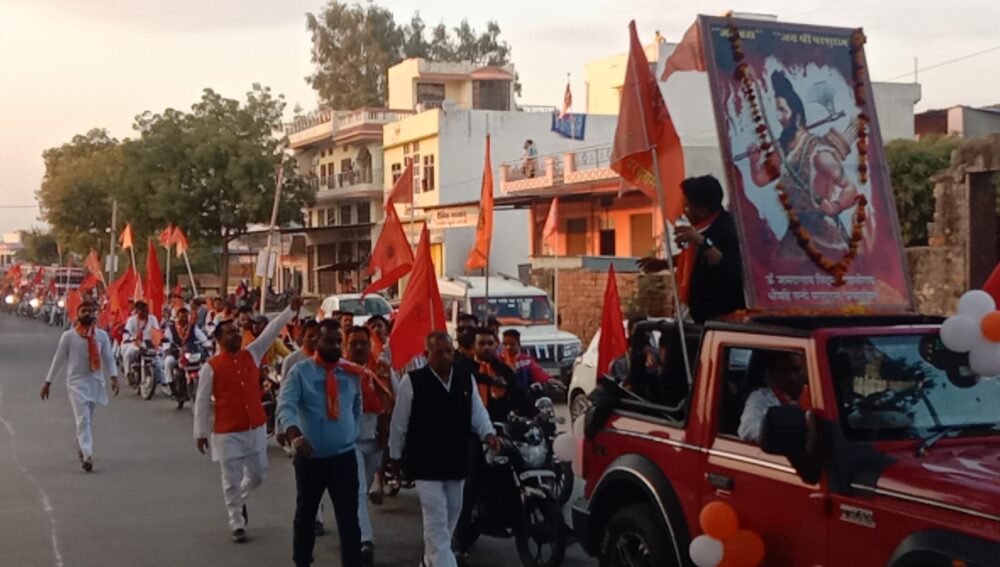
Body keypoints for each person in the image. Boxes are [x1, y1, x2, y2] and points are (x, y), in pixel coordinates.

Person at [193, 297, 301, 543]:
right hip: (226, 431)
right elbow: (201, 401)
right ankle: (236, 522)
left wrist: (290, 311)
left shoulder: (251, 354)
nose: (236, 335)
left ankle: (239, 500)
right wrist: (200, 432)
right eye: (230, 333)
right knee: (230, 478)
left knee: (259, 474)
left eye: (237, 332)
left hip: (254, 426)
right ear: (219, 340)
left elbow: (271, 331)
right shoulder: (210, 367)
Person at [389, 332, 499, 567]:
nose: (444, 357)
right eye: (438, 352)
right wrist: (395, 455)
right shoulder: (412, 381)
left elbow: (477, 412)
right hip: (425, 461)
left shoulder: (464, 378)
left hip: (456, 459)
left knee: (451, 515)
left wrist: (488, 433)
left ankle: (431, 561)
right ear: (427, 354)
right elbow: (399, 423)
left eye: (448, 351)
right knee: (435, 517)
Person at [277, 319, 371, 567]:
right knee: (305, 516)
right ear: (316, 341)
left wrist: (347, 433)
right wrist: (295, 436)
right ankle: (302, 560)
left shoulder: (351, 373)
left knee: (349, 519)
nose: (336, 345)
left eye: (339, 341)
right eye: (329, 340)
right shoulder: (300, 372)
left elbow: (356, 407)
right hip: (311, 458)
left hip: (344, 458)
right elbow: (285, 407)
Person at [747, 71, 859, 257]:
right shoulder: (781, 151)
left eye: (783, 110)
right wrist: (754, 162)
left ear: (797, 116)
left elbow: (850, 187)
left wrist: (836, 206)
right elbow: (760, 179)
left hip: (824, 235)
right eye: (777, 111)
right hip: (797, 231)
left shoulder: (818, 153)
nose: (779, 117)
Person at [638, 175, 745, 323]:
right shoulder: (701, 228)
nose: (683, 212)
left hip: (716, 319)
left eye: (687, 206)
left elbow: (729, 270)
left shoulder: (729, 230)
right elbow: (692, 257)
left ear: (702, 211)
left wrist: (702, 242)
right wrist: (663, 263)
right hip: (689, 313)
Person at [42, 301, 119, 472]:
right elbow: (58, 359)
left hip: (95, 382)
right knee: (83, 419)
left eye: (90, 311)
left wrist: (114, 377)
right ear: (77, 315)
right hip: (75, 384)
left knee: (87, 420)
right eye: (83, 311)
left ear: (94, 314)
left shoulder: (101, 336)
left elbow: (109, 358)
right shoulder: (69, 336)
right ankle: (87, 455)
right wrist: (48, 382)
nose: (87, 313)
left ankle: (80, 444)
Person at [345, 325, 394, 565]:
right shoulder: (339, 371)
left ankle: (353, 524)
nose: (358, 348)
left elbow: (397, 396)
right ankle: (365, 540)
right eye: (353, 343)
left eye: (362, 343)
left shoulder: (382, 370)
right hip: (348, 441)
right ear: (346, 346)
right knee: (358, 489)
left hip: (376, 440)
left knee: (359, 493)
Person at [738, 351, 808, 444]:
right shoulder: (761, 398)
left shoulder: (817, 394)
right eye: (784, 371)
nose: (792, 377)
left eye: (797, 370)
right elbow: (747, 429)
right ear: (772, 374)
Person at [163, 306, 210, 391]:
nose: (184, 319)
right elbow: (166, 341)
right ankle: (170, 384)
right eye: (182, 317)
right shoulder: (170, 329)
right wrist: (167, 345)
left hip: (190, 352)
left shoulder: (193, 327)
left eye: (186, 316)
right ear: (177, 317)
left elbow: (202, 338)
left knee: (203, 362)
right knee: (168, 361)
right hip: (176, 353)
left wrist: (206, 343)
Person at [122, 300, 166, 384]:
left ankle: (164, 381)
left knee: (160, 358)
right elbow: (126, 333)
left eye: (147, 310)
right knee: (129, 353)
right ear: (137, 310)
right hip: (134, 343)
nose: (146, 312)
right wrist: (129, 338)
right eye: (143, 310)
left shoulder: (152, 318)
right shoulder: (131, 320)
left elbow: (157, 331)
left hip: (149, 344)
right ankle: (128, 374)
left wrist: (160, 339)